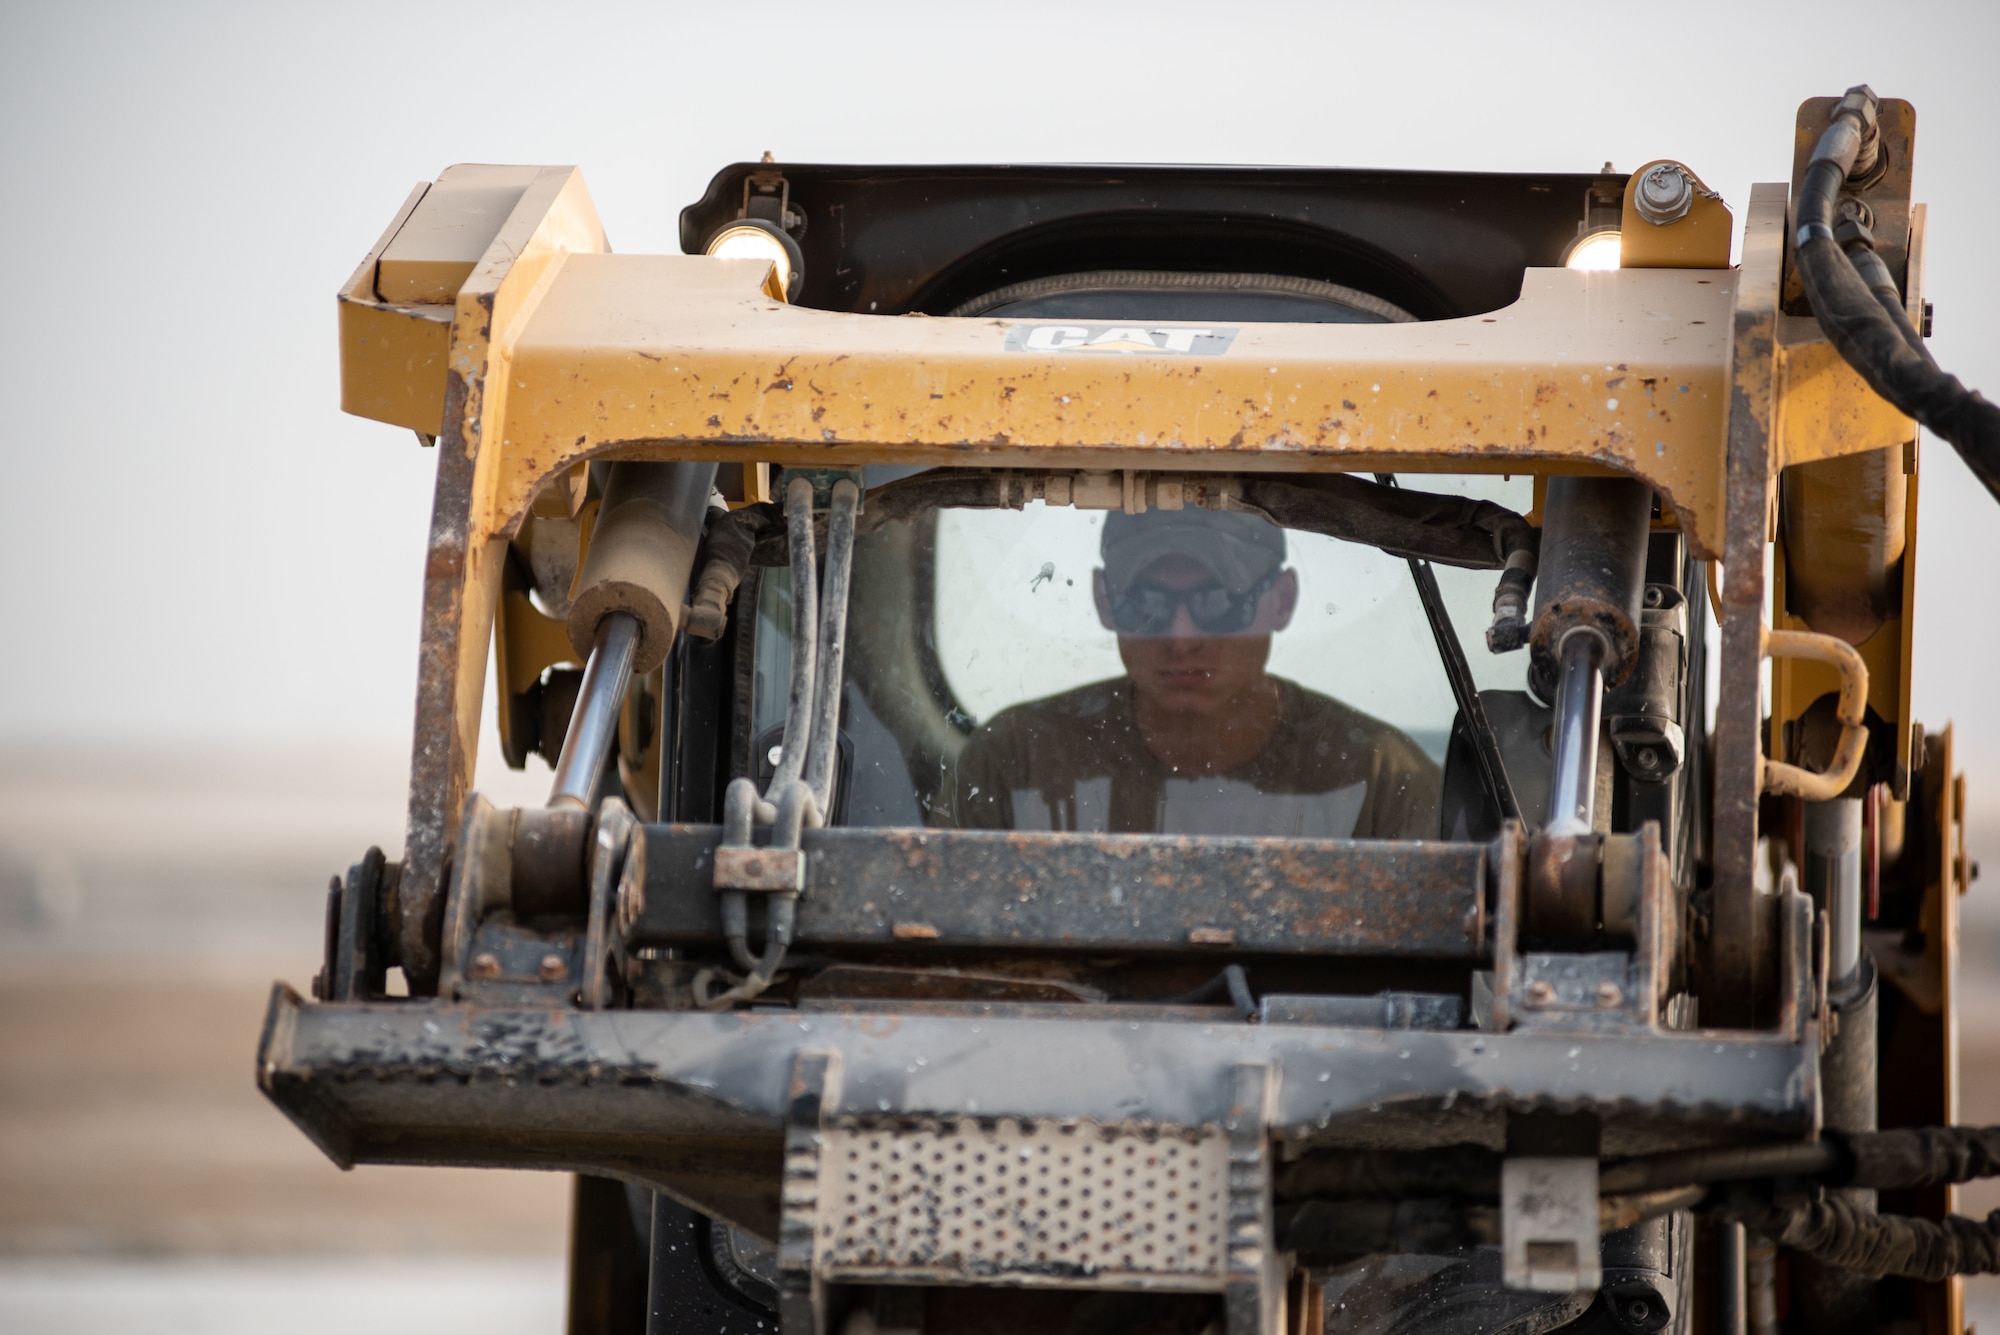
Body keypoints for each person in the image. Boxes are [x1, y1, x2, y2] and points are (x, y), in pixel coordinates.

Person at [942, 507, 1440, 838]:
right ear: (1104, 601)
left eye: (1218, 602)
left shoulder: (1383, 781)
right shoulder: (1014, 761)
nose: (1181, 638)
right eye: (1147, 604)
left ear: (1282, 600)